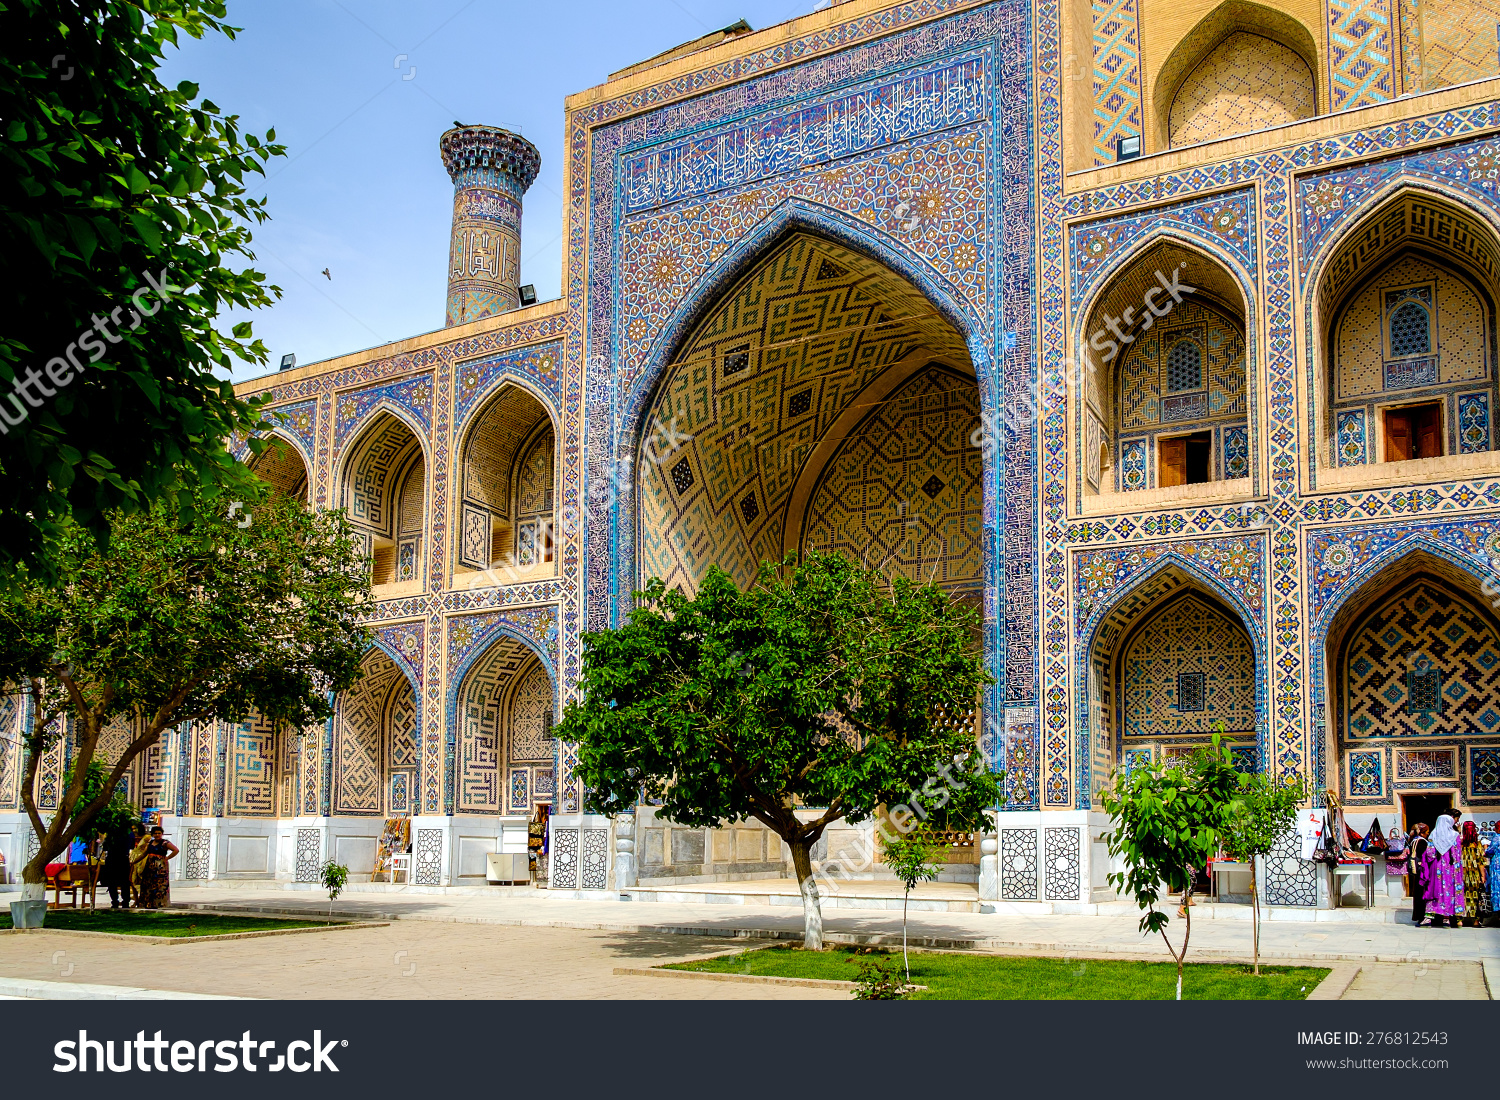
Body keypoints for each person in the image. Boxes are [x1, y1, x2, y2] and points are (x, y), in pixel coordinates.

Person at [1422, 812, 1464, 927]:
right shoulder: (1455, 835)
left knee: (1434, 890)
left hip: (1436, 868)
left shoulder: (1433, 835)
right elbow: (1457, 855)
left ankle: (1428, 918)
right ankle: (1446, 918)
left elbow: (1430, 854)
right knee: (1449, 891)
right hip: (1451, 869)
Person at [132, 825, 177, 910]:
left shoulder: (165, 843)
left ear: (162, 834)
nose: (157, 835)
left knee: (159, 886)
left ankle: (159, 903)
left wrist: (167, 858)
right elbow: (144, 854)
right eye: (155, 833)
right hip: (149, 867)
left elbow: (176, 850)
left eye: (159, 833)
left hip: (160, 868)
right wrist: (134, 862)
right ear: (152, 834)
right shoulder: (150, 843)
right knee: (148, 885)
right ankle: (148, 903)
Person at [100, 821, 136, 909]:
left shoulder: (111, 833)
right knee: (124, 882)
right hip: (123, 858)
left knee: (112, 882)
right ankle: (125, 901)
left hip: (112, 858)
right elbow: (131, 846)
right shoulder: (129, 833)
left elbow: (105, 846)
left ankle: (115, 901)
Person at [1460, 820, 1489, 927]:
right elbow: (1481, 862)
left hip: (1461, 874)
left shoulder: (1460, 844)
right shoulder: (1477, 845)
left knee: (1461, 897)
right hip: (1474, 875)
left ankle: (1460, 920)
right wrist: (1483, 876)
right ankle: (1476, 921)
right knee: (1476, 898)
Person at [1407, 822, 1430, 926]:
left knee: (1417, 893)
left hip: (1416, 871)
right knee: (1422, 894)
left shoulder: (1413, 841)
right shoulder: (1422, 842)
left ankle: (1418, 916)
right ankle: (1422, 917)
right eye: (1427, 832)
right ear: (1422, 833)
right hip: (1422, 871)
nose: (1428, 834)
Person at [127, 823, 149, 906]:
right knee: (133, 881)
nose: (133, 830)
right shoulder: (131, 837)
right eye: (132, 829)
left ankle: (143, 900)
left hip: (143, 861)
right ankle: (136, 901)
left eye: (135, 828)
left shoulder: (147, 838)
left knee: (143, 882)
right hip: (133, 861)